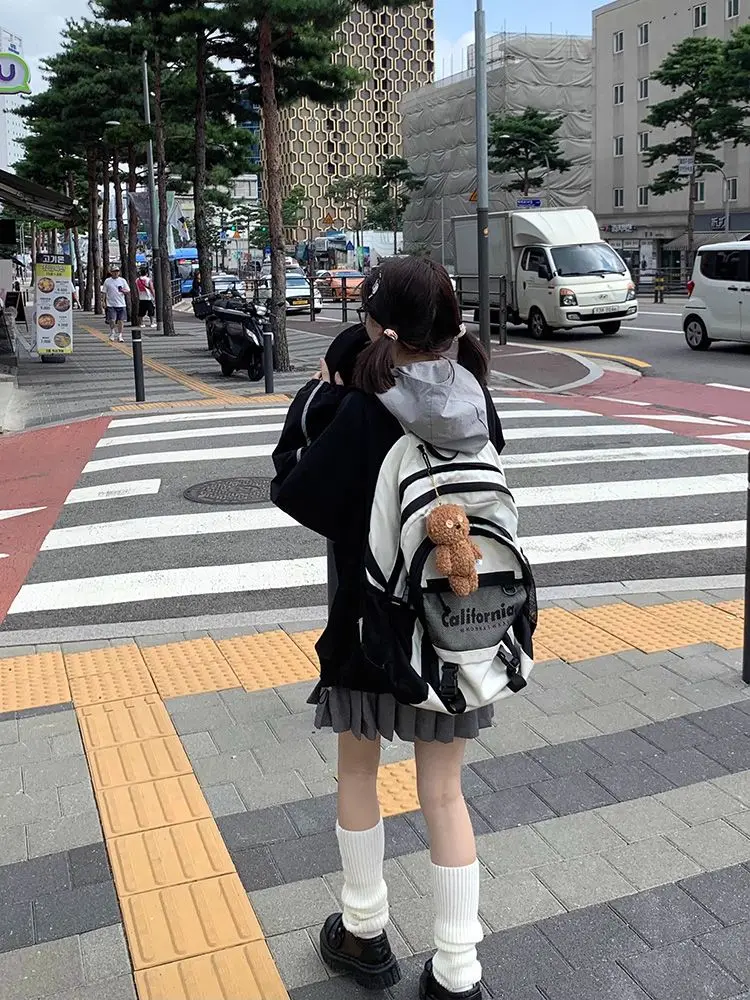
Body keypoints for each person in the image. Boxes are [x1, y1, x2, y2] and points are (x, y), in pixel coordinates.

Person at [272, 257, 505, 1000]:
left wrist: (320, 394)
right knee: (444, 794)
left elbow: (296, 490)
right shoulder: (475, 396)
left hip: (368, 624)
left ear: (381, 330)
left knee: (357, 772)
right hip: (452, 627)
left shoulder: (364, 409)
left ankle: (364, 932)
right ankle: (458, 971)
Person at [102, 265, 130, 342]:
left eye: (117, 271)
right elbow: (104, 292)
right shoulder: (107, 281)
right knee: (112, 320)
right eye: (114, 271)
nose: (116, 273)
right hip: (111, 304)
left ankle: (120, 335)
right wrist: (103, 302)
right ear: (111, 272)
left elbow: (128, 290)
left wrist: (123, 291)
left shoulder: (122, 280)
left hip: (121, 303)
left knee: (121, 320)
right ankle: (112, 332)